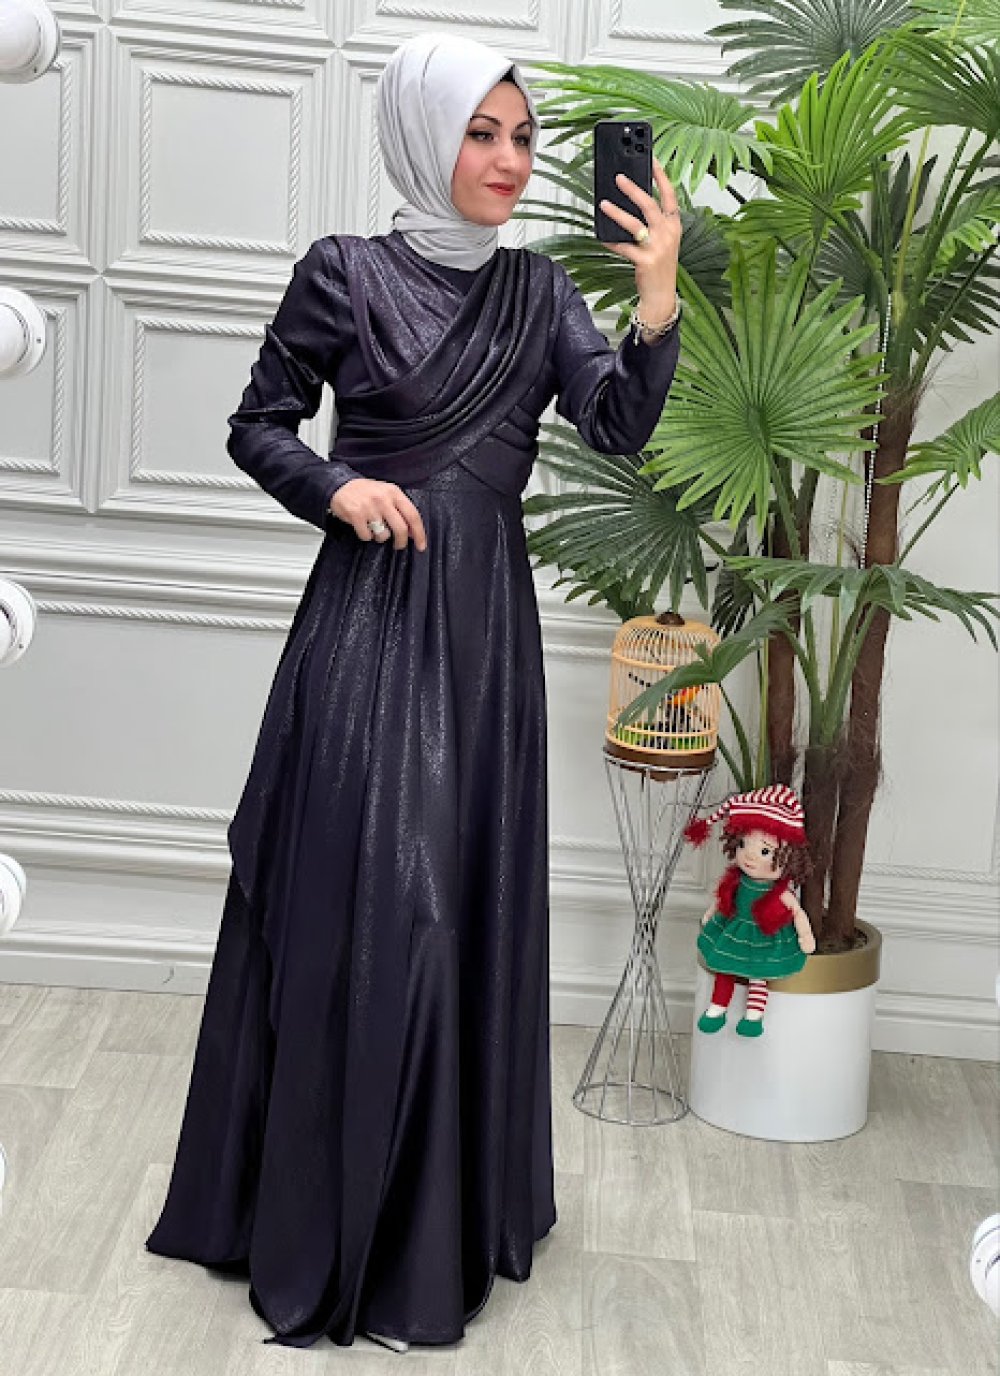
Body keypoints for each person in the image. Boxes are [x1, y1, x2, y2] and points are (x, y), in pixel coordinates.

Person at [145, 30, 683, 1352]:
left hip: (483, 638)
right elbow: (258, 424)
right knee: (378, 911)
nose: (508, 160)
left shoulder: (542, 291)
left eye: (522, 137)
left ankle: (429, 1231)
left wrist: (656, 297)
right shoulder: (344, 273)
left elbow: (615, 424)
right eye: (479, 133)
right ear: (421, 135)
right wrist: (338, 487)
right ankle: (343, 1225)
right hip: (370, 628)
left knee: (456, 911)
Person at [684, 785, 817, 1037]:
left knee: (759, 975)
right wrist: (712, 911)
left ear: (789, 857)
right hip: (735, 928)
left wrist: (805, 936)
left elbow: (797, 912)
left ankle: (754, 1016)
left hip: (764, 936)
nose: (749, 856)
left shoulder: (780, 893)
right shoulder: (737, 880)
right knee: (724, 967)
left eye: (765, 851)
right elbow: (725, 898)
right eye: (744, 844)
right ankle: (717, 1007)